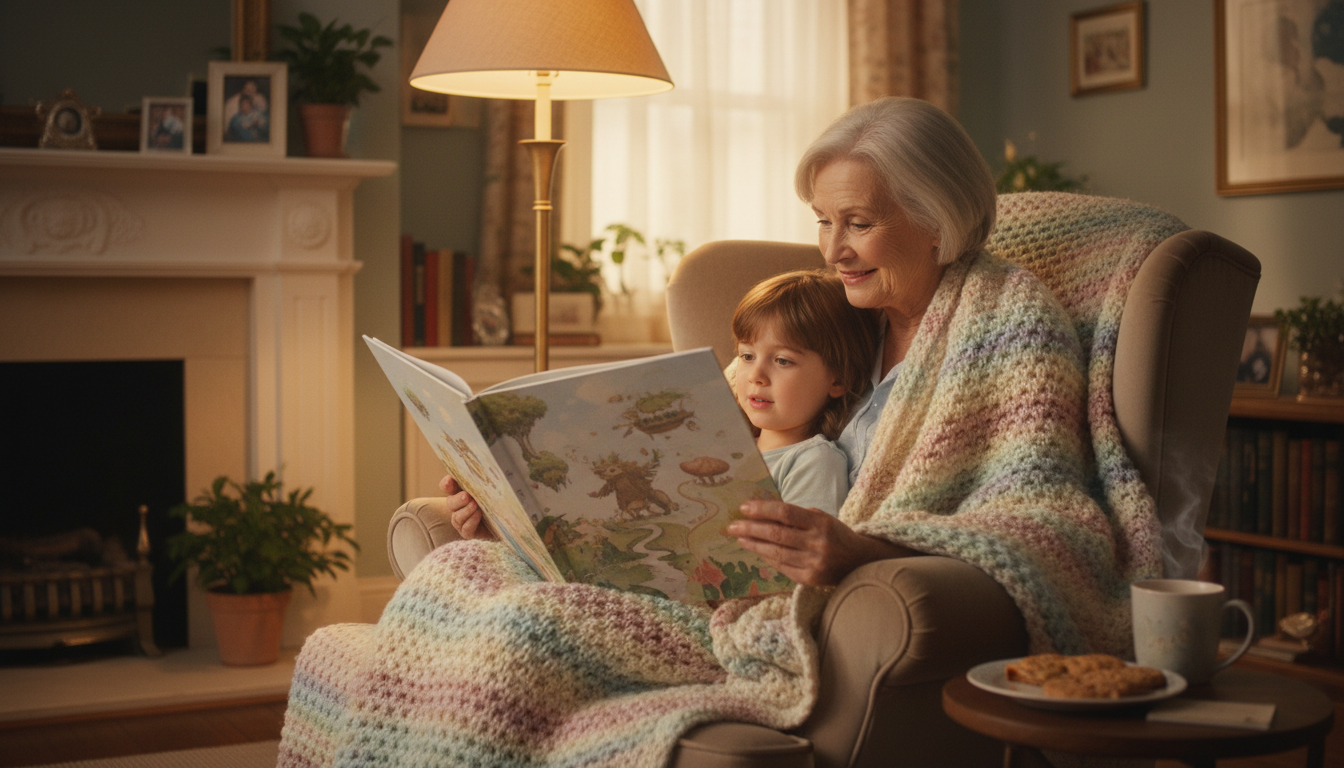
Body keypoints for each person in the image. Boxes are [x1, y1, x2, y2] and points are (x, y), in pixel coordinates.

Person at [280, 97, 1164, 768]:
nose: (833, 249)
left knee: (519, 630)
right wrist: (510, 505)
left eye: (859, 223)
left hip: (779, 606)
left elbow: (1038, 514)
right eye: (823, 221)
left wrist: (862, 546)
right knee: (458, 571)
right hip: (695, 569)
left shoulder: (1005, 320)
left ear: (939, 218)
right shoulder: (838, 319)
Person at [734, 269, 877, 514]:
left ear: (839, 380)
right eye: (747, 356)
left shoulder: (814, 461)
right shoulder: (730, 448)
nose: (755, 376)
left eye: (782, 361)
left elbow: (801, 538)